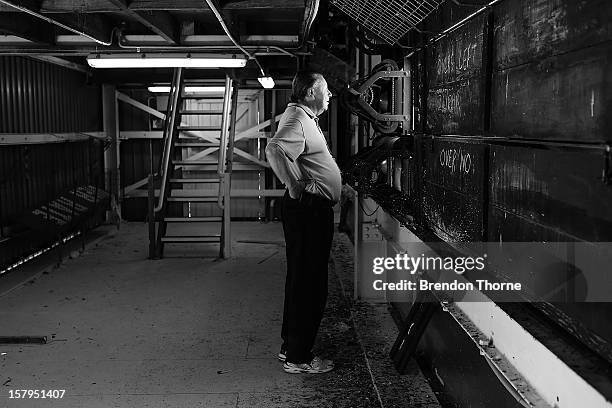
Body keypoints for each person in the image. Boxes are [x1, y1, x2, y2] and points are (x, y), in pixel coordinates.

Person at [265, 71, 342, 374]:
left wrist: (335, 184)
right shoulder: (298, 119)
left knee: (301, 280)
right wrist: (296, 188)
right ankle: (300, 358)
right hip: (308, 210)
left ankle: (291, 347)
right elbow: (274, 150)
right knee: (311, 284)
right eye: (326, 90)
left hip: (308, 208)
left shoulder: (303, 118)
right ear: (311, 92)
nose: (330, 95)